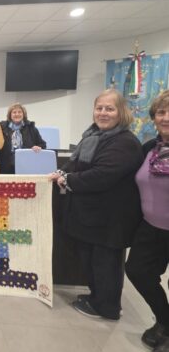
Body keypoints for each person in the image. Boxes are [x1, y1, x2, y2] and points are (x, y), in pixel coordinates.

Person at [49, 89, 143, 321]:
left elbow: (101, 176)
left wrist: (67, 180)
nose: (103, 113)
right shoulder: (93, 136)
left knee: (105, 265)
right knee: (92, 261)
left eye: (109, 109)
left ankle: (108, 308)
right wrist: (62, 171)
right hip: (91, 216)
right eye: (99, 108)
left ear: (121, 112)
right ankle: (96, 298)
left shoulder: (125, 142)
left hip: (109, 219)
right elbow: (75, 163)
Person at [125, 90, 169, 352]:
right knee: (137, 271)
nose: (166, 118)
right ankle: (165, 320)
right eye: (161, 112)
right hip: (151, 226)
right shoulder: (150, 148)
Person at [0, 103, 47, 174]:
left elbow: (43, 144)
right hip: (6, 164)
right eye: (14, 112)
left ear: (23, 114)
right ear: (10, 115)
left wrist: (38, 147)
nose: (17, 114)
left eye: (19, 112)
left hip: (26, 163)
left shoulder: (31, 127)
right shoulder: (2, 127)